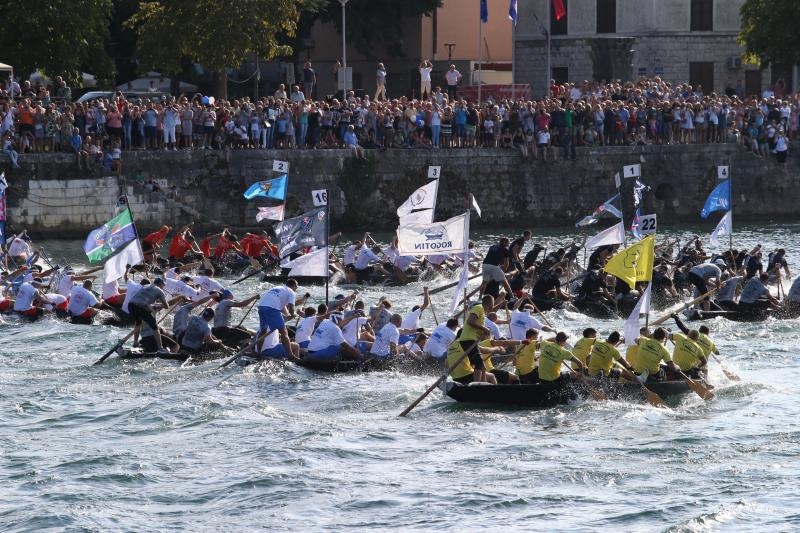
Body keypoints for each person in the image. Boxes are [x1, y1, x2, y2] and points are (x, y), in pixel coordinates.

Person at [257, 279, 299, 359]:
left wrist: (288, 316)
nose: (296, 289)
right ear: (293, 286)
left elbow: (281, 309)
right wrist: (293, 314)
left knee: (263, 331)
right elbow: (291, 306)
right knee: (284, 332)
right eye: (296, 287)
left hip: (261, 306)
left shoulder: (279, 288)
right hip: (271, 308)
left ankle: (259, 352)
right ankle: (290, 354)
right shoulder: (291, 292)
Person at [128, 278, 171, 354]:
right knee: (155, 327)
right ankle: (160, 348)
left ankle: (135, 343)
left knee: (138, 323)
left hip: (131, 305)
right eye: (163, 285)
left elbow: (142, 298)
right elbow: (166, 306)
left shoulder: (146, 285)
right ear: (160, 284)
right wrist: (160, 305)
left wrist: (153, 305)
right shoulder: (159, 291)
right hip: (140, 307)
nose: (163, 287)